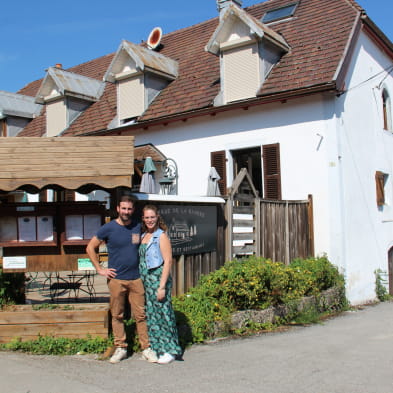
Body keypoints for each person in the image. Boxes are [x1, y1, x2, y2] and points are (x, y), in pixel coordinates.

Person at [86, 195, 158, 364]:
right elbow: (90, 247)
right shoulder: (108, 228)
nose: (126, 211)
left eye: (129, 208)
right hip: (116, 279)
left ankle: (146, 348)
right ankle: (121, 347)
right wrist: (100, 269)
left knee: (141, 315)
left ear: (133, 210)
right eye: (123, 208)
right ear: (118, 209)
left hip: (136, 278)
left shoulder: (137, 227)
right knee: (117, 314)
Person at [139, 204, 182, 364]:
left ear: (157, 217)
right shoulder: (143, 235)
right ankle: (158, 347)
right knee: (153, 316)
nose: (150, 220)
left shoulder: (161, 236)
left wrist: (162, 286)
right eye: (147, 217)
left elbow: (168, 261)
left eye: (152, 217)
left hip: (158, 280)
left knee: (164, 314)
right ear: (143, 219)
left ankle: (170, 350)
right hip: (146, 281)